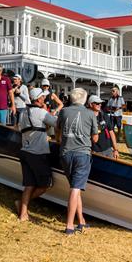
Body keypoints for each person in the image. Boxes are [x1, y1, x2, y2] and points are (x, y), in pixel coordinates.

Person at [55, 88, 99, 235]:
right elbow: (95, 138)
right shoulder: (90, 114)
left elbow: (57, 131)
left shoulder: (64, 111)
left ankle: (81, 221)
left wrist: (59, 140)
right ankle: (69, 225)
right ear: (85, 100)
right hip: (82, 154)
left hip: (65, 153)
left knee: (76, 187)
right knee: (75, 189)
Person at [16, 88, 58, 222]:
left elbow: (20, 128)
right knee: (46, 184)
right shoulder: (40, 112)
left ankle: (23, 213)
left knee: (29, 184)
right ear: (38, 99)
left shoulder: (23, 112)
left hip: (24, 151)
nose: (44, 99)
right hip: (37, 153)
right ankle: (21, 204)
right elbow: (57, 123)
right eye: (43, 97)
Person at [89, 95, 120, 159]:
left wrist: (115, 150)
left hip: (108, 149)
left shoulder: (104, 116)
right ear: (91, 104)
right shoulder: (86, 117)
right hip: (94, 151)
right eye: (97, 103)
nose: (100, 105)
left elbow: (111, 132)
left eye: (100, 103)